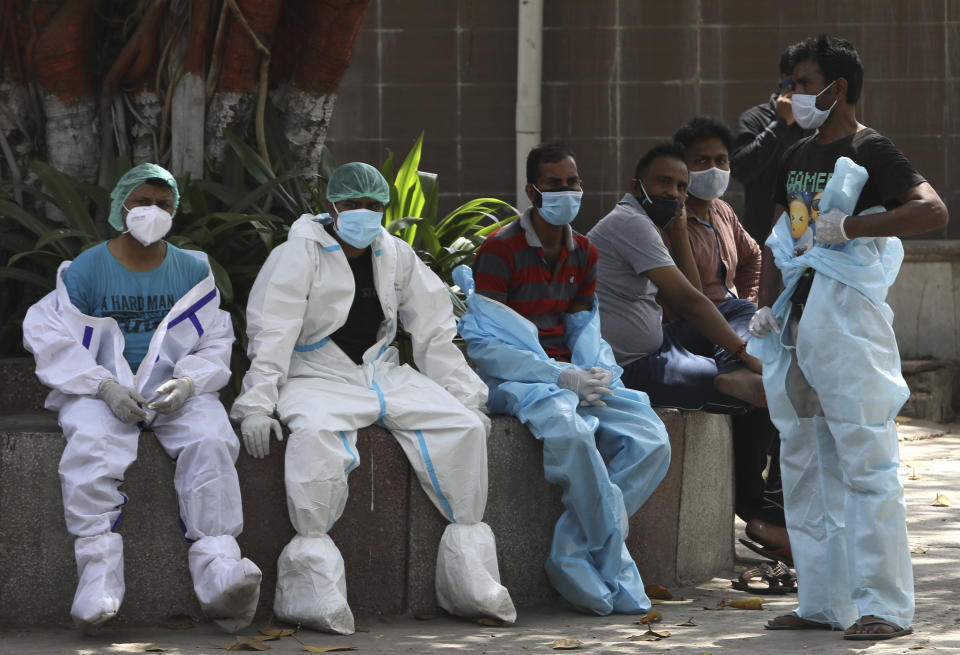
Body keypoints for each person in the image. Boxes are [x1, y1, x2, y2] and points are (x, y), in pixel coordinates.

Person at [231, 162, 516, 634]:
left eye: (374, 206)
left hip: (381, 373)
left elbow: (433, 329)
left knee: (463, 427)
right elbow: (272, 330)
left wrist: (466, 395)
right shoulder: (297, 255)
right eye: (353, 205)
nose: (364, 214)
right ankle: (311, 591)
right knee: (316, 433)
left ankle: (471, 583)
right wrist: (258, 403)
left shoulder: (395, 253)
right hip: (315, 374)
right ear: (331, 207)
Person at [749, 35, 948, 640]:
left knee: (865, 461)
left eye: (804, 84)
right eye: (789, 83)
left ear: (838, 89)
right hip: (799, 324)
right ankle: (823, 601)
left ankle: (884, 606)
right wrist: (765, 311)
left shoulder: (871, 148)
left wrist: (854, 225)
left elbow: (931, 211)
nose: (792, 95)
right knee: (804, 463)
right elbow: (781, 236)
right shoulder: (796, 152)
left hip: (849, 325)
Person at [22, 163, 262, 633]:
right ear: (121, 207)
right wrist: (102, 385)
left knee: (211, 440)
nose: (153, 212)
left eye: (164, 204)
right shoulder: (87, 269)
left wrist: (190, 382)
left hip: (174, 389)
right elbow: (49, 333)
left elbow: (215, 338)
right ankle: (97, 579)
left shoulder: (192, 270)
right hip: (101, 391)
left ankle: (218, 572)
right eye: (143, 202)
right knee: (91, 447)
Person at [458, 142, 670, 616]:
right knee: (572, 436)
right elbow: (488, 346)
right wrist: (557, 374)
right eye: (554, 185)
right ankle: (613, 561)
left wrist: (594, 366)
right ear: (532, 191)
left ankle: (571, 551)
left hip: (575, 373)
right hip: (520, 381)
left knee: (652, 439)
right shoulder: (499, 250)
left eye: (572, 182)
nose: (567, 191)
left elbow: (582, 324)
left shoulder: (585, 252)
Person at [669, 116, 789, 561]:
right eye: (701, 160)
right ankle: (760, 510)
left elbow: (753, 253)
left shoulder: (721, 210)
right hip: (694, 329)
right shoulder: (670, 217)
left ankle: (769, 507)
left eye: (721, 159)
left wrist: (750, 302)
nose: (714, 168)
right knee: (767, 381)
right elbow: (685, 295)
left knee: (779, 385)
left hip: (735, 318)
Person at [588, 141, 765, 415]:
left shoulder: (649, 223)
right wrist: (744, 354)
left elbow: (696, 296)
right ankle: (735, 374)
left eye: (682, 187)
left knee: (740, 308)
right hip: (629, 365)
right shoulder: (629, 221)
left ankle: (735, 373)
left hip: (661, 343)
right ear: (637, 187)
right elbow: (687, 301)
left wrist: (679, 229)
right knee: (721, 380)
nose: (673, 193)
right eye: (663, 183)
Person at [731, 44, 812, 244]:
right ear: (786, 79)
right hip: (762, 239)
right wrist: (780, 124)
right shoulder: (755, 119)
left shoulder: (816, 122)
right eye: (802, 80)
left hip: (806, 242)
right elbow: (741, 169)